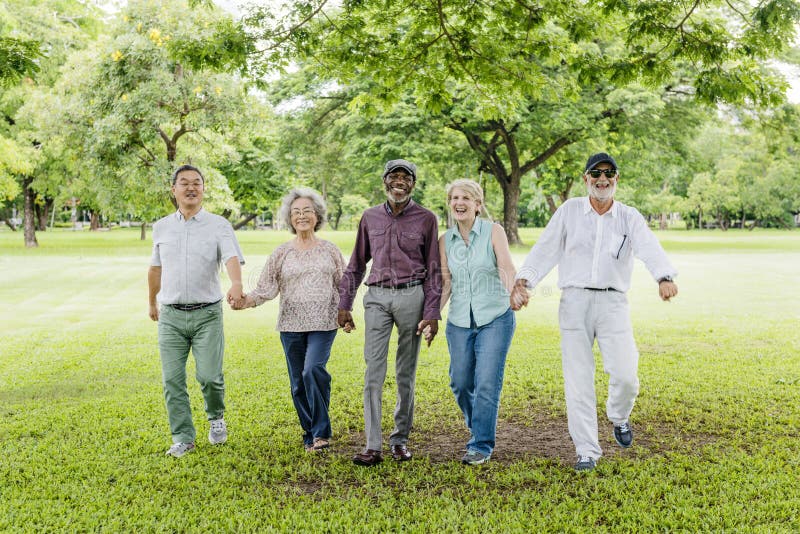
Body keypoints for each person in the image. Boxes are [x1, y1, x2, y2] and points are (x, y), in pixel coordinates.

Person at [510, 152, 679, 472]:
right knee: (578, 379)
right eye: (595, 174)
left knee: (627, 374)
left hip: (613, 303)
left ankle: (619, 416)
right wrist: (524, 282)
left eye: (609, 174)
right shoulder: (570, 211)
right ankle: (586, 450)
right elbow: (545, 248)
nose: (603, 180)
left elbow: (648, 247)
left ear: (617, 178)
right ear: (586, 178)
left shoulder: (629, 216)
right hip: (574, 302)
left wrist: (664, 277)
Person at [338, 158, 442, 466]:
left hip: (412, 295)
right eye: (393, 176)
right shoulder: (370, 217)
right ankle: (373, 445)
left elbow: (434, 269)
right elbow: (356, 263)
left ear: (412, 184)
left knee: (405, 372)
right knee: (374, 370)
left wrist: (432, 312)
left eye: (405, 177)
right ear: (384, 181)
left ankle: (400, 439)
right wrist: (344, 304)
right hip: (378, 298)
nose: (399, 181)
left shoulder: (426, 218)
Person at [233, 188, 345, 453]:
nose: (302, 216)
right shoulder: (282, 252)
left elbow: (345, 284)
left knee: (313, 371)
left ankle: (321, 431)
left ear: (317, 216)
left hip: (324, 323)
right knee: (298, 382)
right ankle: (310, 432)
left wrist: (346, 313)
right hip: (291, 325)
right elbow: (266, 288)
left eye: (307, 211)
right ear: (289, 219)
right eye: (296, 212)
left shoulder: (330, 250)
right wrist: (245, 301)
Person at [148, 164, 245, 458]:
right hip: (171, 316)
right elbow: (155, 268)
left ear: (203, 189)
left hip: (207, 314)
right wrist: (152, 301)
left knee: (209, 376)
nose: (191, 188)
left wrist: (237, 283)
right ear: (174, 190)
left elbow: (230, 257)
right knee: (172, 379)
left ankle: (216, 418)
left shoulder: (218, 225)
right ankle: (183, 437)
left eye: (197, 183)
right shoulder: (161, 227)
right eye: (184, 183)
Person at [438, 179, 517, 465]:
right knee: (460, 382)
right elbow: (445, 283)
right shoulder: (445, 240)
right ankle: (477, 423)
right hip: (459, 321)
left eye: (466, 198)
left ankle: (481, 444)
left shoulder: (493, 231)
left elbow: (505, 267)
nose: (460, 203)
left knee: (486, 384)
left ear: (477, 205)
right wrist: (431, 315)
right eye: (455, 198)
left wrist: (514, 293)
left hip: (495, 317)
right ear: (450, 204)